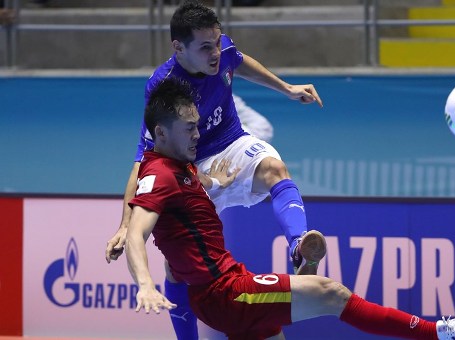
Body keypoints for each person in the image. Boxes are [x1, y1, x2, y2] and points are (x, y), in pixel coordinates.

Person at [125, 78, 455, 340]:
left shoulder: (178, 163)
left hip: (223, 292)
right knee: (330, 292)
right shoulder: (158, 176)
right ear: (160, 132)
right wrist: (144, 284)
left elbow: (181, 211)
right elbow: (137, 235)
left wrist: (213, 183)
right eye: (188, 129)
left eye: (196, 127)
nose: (197, 136)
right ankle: (439, 332)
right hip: (227, 292)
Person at [105, 1, 326, 338]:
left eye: (218, 42)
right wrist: (124, 223)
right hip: (191, 164)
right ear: (178, 48)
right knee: (178, 268)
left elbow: (239, 62)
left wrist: (287, 88)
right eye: (205, 47)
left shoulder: (222, 50)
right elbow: (142, 157)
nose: (216, 53)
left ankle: (299, 247)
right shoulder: (163, 88)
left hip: (232, 141)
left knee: (274, 170)